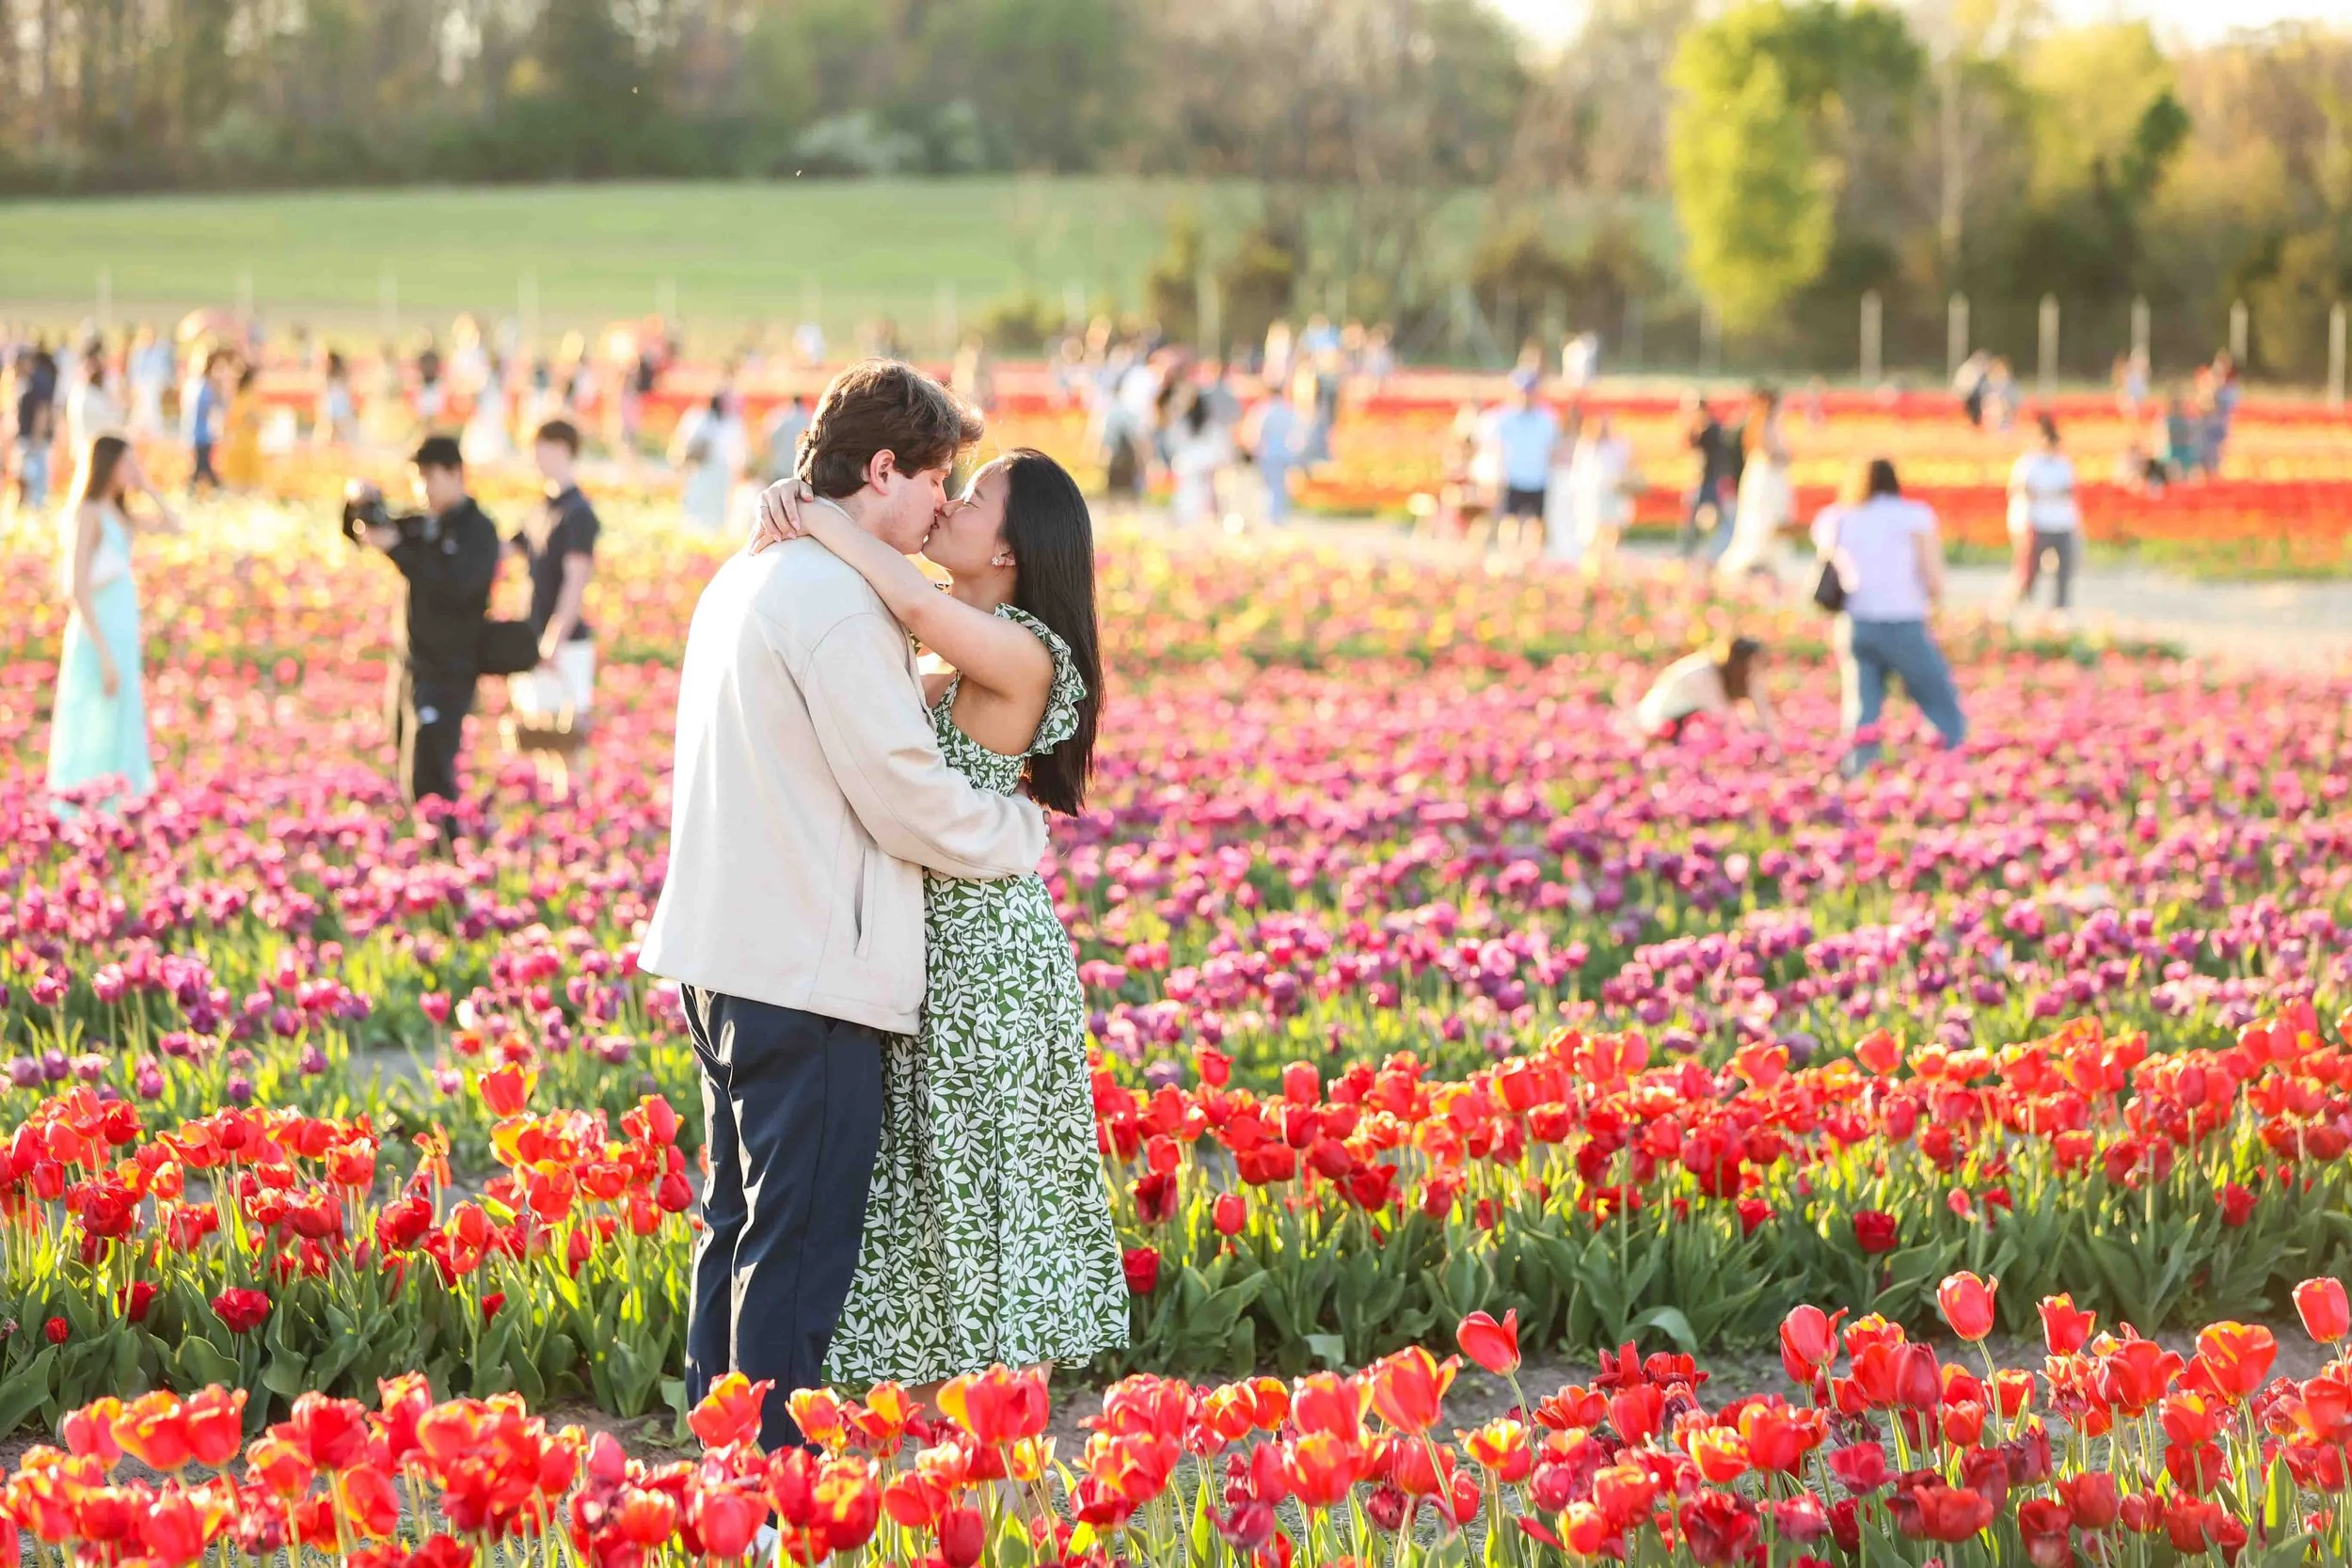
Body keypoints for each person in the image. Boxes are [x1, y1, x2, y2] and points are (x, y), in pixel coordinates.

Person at [638, 360, 1050, 1450]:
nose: (941, 503)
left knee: (735, 1226)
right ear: (880, 470)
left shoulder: (751, 574)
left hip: (726, 954)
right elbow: (905, 793)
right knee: (797, 1248)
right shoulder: (833, 602)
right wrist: (1019, 834)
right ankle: (772, 1492)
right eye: (935, 477)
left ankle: (718, 1473)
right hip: (808, 971)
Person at [748, 446, 1128, 1395]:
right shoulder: (953, 661)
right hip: (936, 952)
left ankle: (1009, 1436)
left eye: (975, 496)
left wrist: (823, 516)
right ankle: (944, 1436)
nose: (951, 503)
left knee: (994, 1187)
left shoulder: (1025, 651)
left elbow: (915, 606)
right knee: (932, 1187)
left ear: (1009, 548)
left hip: (990, 960)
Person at [353, 436, 502, 822]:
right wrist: (358, 503)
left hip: (448, 671)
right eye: (417, 479)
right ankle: (430, 846)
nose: (423, 489)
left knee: (431, 774)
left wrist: (400, 551)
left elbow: (457, 589)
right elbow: (358, 533)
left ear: (455, 473)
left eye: (429, 478)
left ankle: (448, 848)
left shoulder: (478, 531)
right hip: (409, 667)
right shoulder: (423, 522)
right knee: (408, 771)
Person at [1812, 458, 1966, 776]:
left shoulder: (1837, 517)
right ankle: (1953, 766)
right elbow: (1933, 579)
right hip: (1903, 623)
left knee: (1862, 707)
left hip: (1856, 624)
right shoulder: (1913, 516)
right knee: (1939, 700)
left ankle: (1858, 773)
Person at [48, 435, 178, 811]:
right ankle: (83, 807)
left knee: (121, 718)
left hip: (122, 633)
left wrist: (148, 486)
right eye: (127, 462)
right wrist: (103, 653)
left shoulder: (121, 514)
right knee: (91, 717)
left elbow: (175, 526)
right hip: (97, 636)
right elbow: (76, 587)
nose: (132, 470)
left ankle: (120, 805)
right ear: (108, 464)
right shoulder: (88, 512)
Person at [509, 420, 600, 780]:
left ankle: (571, 804)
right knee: (540, 735)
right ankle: (551, 804)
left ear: (562, 448)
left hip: (564, 643)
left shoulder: (578, 513)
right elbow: (507, 548)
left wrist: (554, 639)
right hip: (535, 633)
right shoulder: (541, 508)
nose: (533, 457)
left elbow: (576, 582)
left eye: (540, 447)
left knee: (566, 741)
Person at [1631, 636, 1777, 742]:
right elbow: (1721, 716)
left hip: (1689, 723)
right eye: (1750, 667)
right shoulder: (1703, 673)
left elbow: (1764, 715)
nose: (1753, 672)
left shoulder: (1746, 676)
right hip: (1664, 722)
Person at [2007, 413, 2081, 613]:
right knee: (2029, 570)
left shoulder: (2064, 464)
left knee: (2064, 572)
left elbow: (2069, 493)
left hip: (2062, 524)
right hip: (2037, 523)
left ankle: (2060, 610)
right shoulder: (2028, 463)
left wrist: (2043, 493)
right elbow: (2022, 491)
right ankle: (2021, 605)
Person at [1719, 387, 1791, 583]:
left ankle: (1767, 563)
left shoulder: (1771, 424)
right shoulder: (1758, 423)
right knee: (1762, 520)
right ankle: (1753, 562)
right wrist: (1782, 456)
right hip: (1765, 480)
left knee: (1773, 520)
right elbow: (1765, 452)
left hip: (1771, 479)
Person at [1488, 369, 1561, 557]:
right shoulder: (1503, 418)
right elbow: (1496, 449)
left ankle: (1531, 559)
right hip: (1512, 477)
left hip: (1538, 478)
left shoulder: (1547, 419)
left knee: (1535, 525)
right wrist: (1496, 477)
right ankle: (1509, 557)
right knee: (1510, 522)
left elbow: (1553, 450)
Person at [1564, 413, 1635, 574]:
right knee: (1593, 532)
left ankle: (1609, 562)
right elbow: (1578, 472)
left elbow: (1628, 467)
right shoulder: (1587, 445)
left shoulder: (1620, 444)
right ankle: (1594, 565)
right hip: (1592, 497)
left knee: (1612, 529)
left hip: (1615, 494)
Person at [673, 391, 744, 534]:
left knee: (706, 504)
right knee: (705, 504)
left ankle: (704, 533)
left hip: (708, 469)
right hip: (706, 468)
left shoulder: (699, 418)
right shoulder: (702, 418)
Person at [1678, 393, 1740, 559]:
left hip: (1712, 481)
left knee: (1710, 517)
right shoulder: (1706, 428)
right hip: (1701, 481)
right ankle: (1691, 552)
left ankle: (1710, 552)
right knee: (1694, 520)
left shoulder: (1711, 429)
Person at [1165, 385, 1232, 529]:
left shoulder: (1211, 430)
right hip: (1189, 482)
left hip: (1202, 482)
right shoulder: (1181, 427)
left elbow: (1220, 460)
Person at [1248, 379, 1304, 527]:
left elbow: (1256, 433)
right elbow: (1298, 433)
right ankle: (1280, 516)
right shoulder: (1289, 410)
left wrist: (1255, 449)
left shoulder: (1264, 410)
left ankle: (1270, 516)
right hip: (1284, 453)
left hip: (1268, 453)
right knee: (1280, 486)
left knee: (1269, 486)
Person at [14, 347, 57, 510]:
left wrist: (37, 436)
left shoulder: (39, 380)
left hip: (34, 437)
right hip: (26, 434)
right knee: (25, 473)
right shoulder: (26, 380)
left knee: (35, 474)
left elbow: (43, 410)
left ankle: (36, 506)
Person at [65, 346, 119, 455]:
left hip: (91, 450)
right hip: (90, 452)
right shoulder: (83, 395)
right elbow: (110, 423)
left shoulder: (85, 392)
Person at [186, 351, 229, 494]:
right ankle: (216, 488)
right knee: (203, 465)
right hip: (202, 433)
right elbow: (207, 409)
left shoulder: (206, 386)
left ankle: (194, 489)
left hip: (204, 433)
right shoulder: (204, 387)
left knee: (202, 465)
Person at [218, 361, 264, 490]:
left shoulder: (235, 397)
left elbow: (227, 423)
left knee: (236, 486)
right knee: (248, 487)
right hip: (246, 446)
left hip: (235, 445)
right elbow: (254, 421)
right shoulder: (249, 397)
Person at [762, 393, 812, 485]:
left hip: (781, 466)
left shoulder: (784, 418)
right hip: (799, 467)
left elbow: (772, 438)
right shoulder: (808, 419)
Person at [315, 351, 358, 447]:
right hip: (335, 404)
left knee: (337, 430)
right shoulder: (333, 373)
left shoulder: (335, 374)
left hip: (337, 404)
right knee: (331, 430)